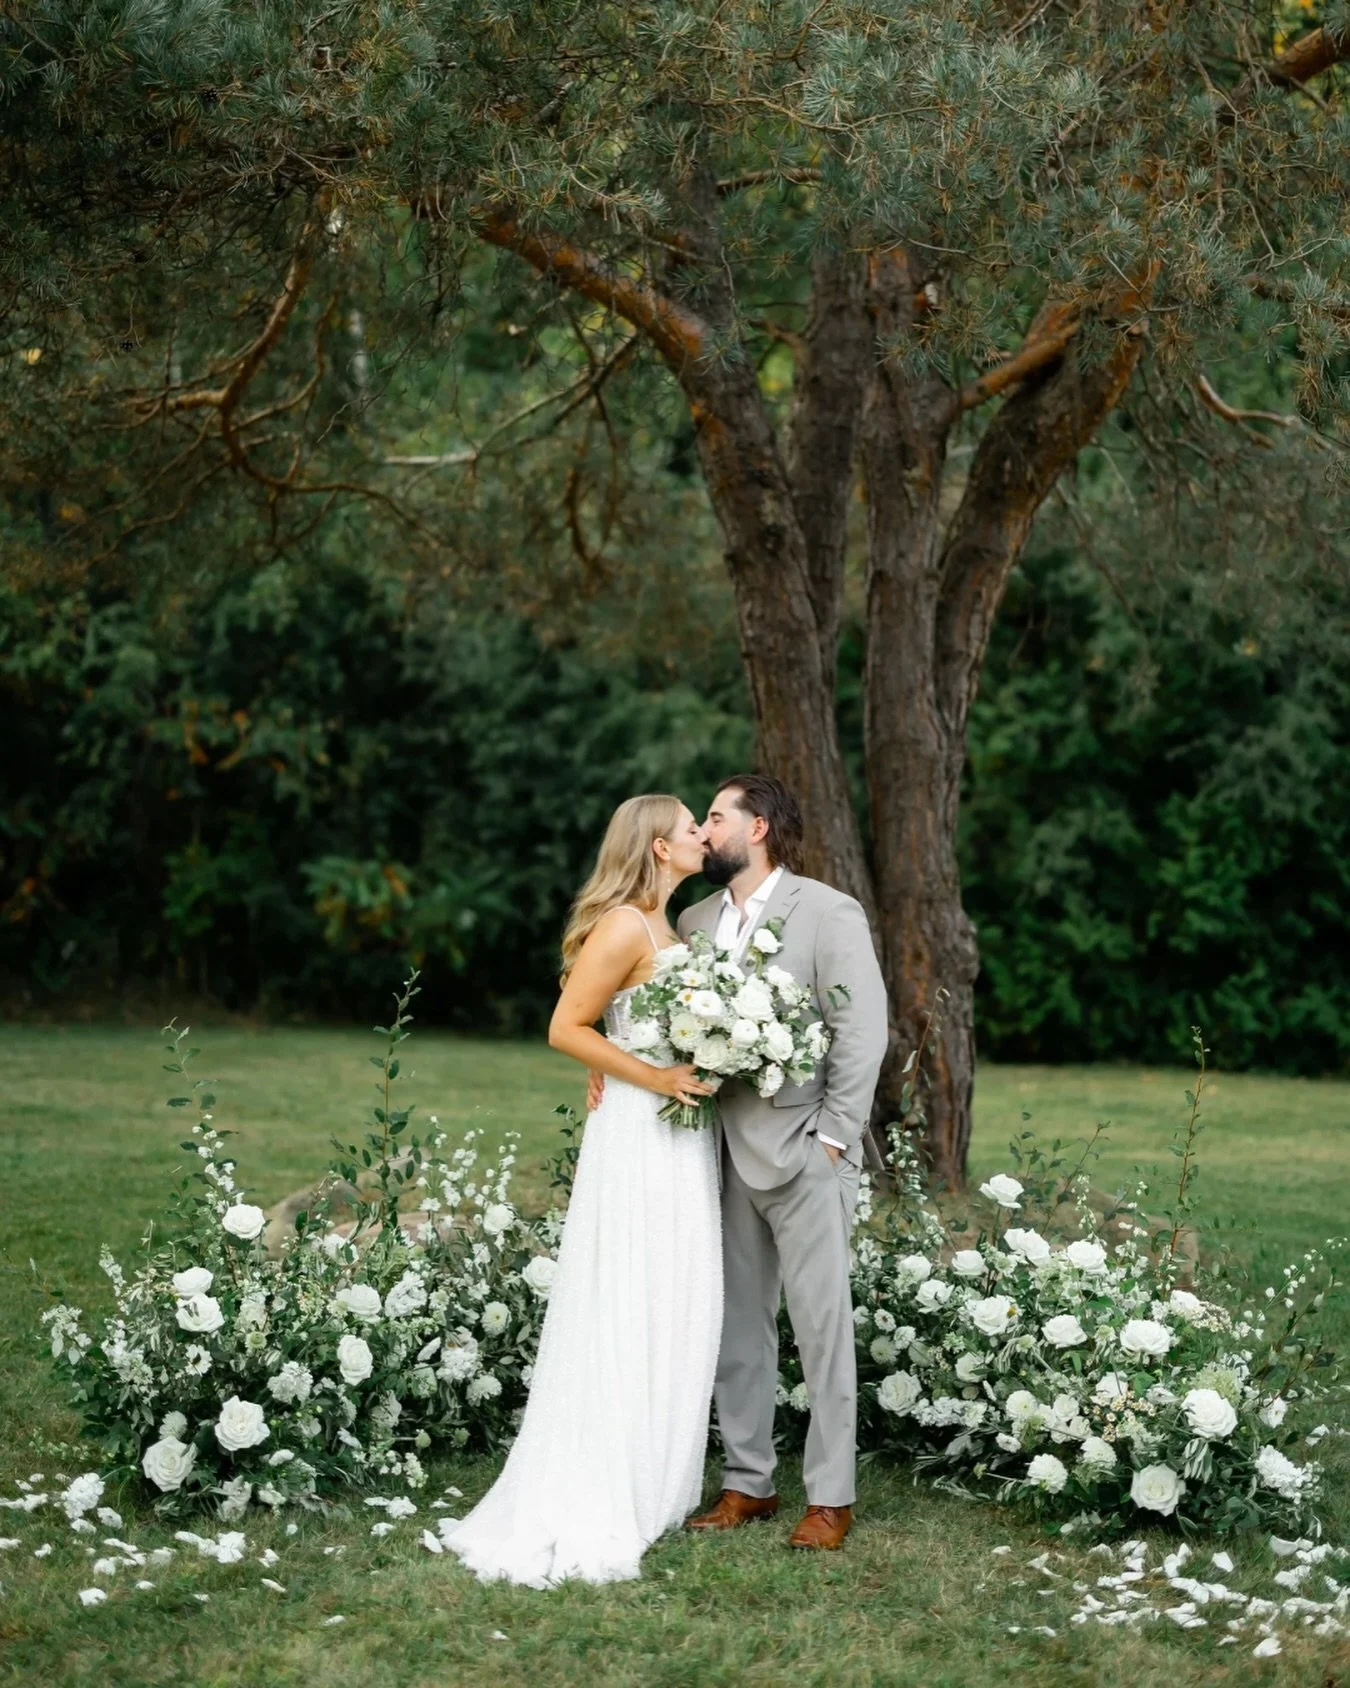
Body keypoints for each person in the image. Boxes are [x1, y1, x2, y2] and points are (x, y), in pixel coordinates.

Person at [589, 774, 889, 1552]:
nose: (705, 830)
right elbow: (645, 1007)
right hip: (712, 1154)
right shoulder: (691, 920)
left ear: (757, 829)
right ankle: (747, 1482)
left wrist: (834, 1139)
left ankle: (830, 1498)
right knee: (735, 1327)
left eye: (716, 817)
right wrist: (606, 1057)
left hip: (804, 1153)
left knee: (822, 1329)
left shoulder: (828, 912)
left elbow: (862, 1031)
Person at [439, 795, 722, 1589]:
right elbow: (566, 1026)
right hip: (640, 1129)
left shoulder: (670, 925)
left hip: (678, 1133)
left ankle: (654, 1477)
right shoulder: (627, 925)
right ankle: (601, 1477)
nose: (702, 836)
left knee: (673, 1291)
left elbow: (618, 1022)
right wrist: (649, 1076)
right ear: (659, 847)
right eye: (691, 828)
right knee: (628, 1291)